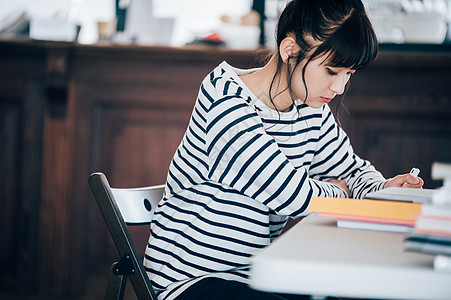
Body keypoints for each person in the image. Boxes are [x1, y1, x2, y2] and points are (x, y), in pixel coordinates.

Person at [143, 0, 424, 299]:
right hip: (190, 279)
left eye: (349, 74)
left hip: (254, 276)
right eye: (332, 71)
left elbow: (350, 169)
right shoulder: (225, 98)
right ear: (290, 50)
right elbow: (291, 194)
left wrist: (380, 188)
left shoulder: (310, 108)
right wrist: (340, 193)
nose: (340, 87)